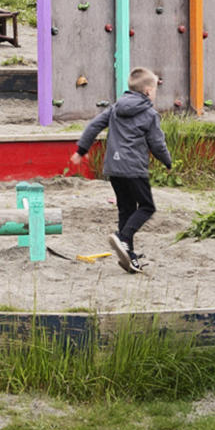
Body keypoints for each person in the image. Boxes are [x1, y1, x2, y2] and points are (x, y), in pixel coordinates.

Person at [72, 67, 176, 274]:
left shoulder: (115, 108)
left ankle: (128, 256)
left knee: (126, 209)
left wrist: (81, 150)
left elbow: (94, 126)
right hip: (134, 168)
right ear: (148, 91)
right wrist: (167, 162)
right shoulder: (149, 114)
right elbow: (157, 143)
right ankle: (124, 238)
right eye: (155, 90)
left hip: (114, 168)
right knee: (146, 207)